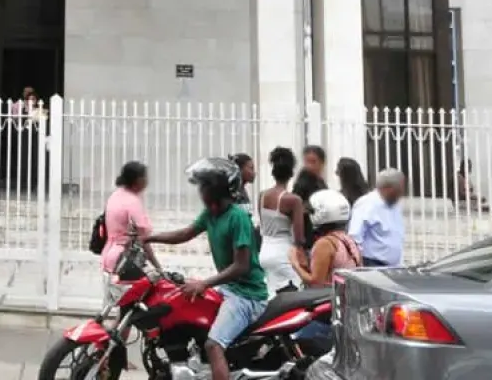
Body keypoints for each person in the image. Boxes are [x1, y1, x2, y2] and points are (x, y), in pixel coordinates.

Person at [144, 158, 267, 380]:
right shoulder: (211, 214)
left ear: (218, 189)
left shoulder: (238, 217)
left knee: (213, 345)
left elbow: (242, 266)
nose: (201, 191)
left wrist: (204, 283)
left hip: (247, 295)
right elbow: (185, 233)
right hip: (228, 289)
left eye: (205, 185)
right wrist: (150, 238)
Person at [101, 161, 159, 304]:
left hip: (110, 256)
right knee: (140, 302)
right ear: (138, 180)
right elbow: (144, 240)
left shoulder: (116, 196)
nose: (147, 180)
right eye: (145, 177)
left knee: (124, 304)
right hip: (126, 260)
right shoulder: (133, 202)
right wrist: (158, 266)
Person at [258, 148, 307, 293]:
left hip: (265, 251)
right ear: (291, 173)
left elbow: (263, 224)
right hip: (283, 254)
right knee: (294, 294)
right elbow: (299, 238)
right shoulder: (294, 200)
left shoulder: (262, 195)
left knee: (271, 294)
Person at [291, 190, 362, 288]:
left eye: (312, 212)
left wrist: (295, 263)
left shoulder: (324, 244)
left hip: (331, 295)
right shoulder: (348, 239)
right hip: (347, 293)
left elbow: (316, 283)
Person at [348, 168, 406, 268]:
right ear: (387, 188)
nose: (402, 193)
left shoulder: (395, 205)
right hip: (371, 265)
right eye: (399, 190)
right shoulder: (367, 204)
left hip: (393, 266)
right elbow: (354, 238)